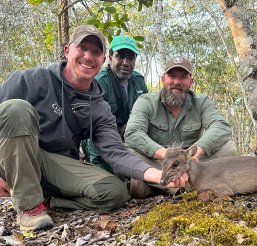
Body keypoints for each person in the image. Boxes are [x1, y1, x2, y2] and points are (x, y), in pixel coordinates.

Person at [0, 26, 187, 232]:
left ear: (102, 59)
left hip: (54, 164)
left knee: (115, 192)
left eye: (96, 52)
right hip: (12, 157)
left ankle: (52, 201)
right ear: (67, 50)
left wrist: (161, 176)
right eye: (82, 48)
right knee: (16, 108)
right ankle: (29, 208)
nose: (88, 57)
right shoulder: (32, 80)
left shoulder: (99, 107)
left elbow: (117, 152)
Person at [125, 56, 237, 197]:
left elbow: (221, 126)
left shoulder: (202, 102)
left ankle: (164, 186)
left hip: (192, 163)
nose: (176, 82)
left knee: (229, 147)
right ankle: (182, 185)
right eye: (171, 76)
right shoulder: (145, 101)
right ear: (163, 79)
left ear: (191, 81)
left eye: (183, 77)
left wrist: (196, 151)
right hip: (158, 162)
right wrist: (165, 154)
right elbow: (133, 133)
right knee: (128, 150)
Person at [84, 35, 148, 167]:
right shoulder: (100, 83)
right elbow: (94, 125)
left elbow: (146, 112)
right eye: (120, 56)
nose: (126, 62)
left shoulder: (138, 81)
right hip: (104, 147)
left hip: (133, 141)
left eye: (130, 58)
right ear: (110, 57)